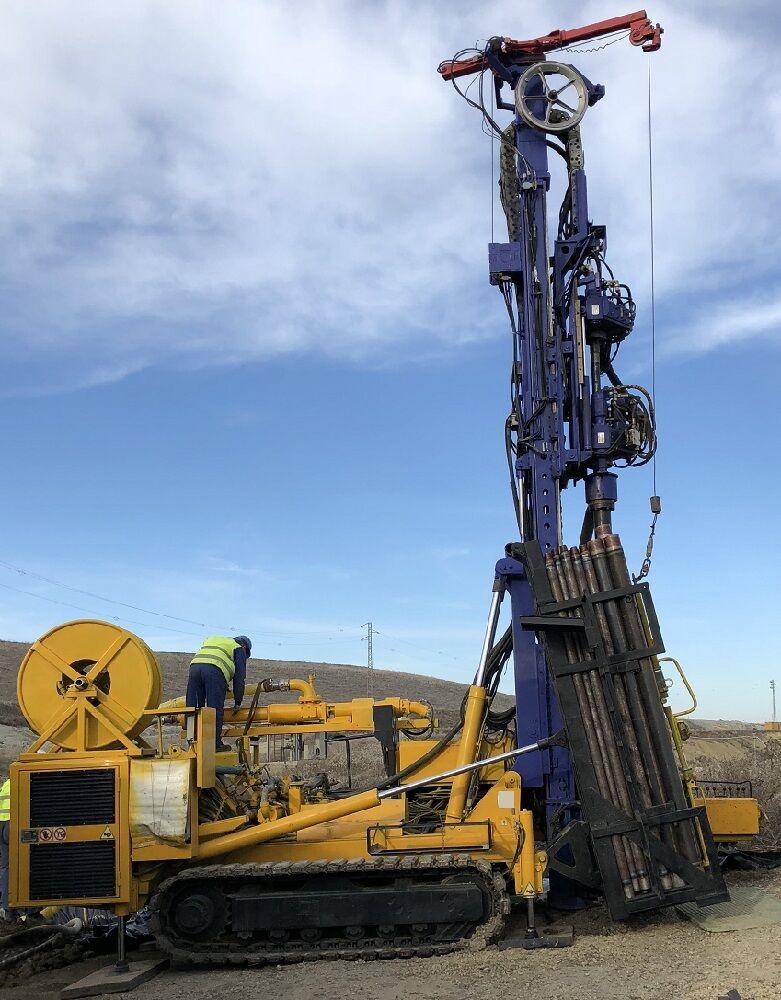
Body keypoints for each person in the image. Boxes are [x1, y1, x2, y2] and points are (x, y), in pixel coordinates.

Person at [186, 635, 252, 751]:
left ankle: (193, 742)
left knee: (193, 707)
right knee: (214, 709)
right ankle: (215, 744)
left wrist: (224, 684)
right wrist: (238, 701)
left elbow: (214, 661)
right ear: (245, 647)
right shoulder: (239, 648)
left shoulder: (218, 641)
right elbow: (239, 678)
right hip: (214, 671)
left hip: (195, 668)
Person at [0, 776, 10, 917]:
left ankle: (4, 905)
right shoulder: (24, 779)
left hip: (1, 824)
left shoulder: (7, 783)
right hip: (11, 823)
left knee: (5, 866)